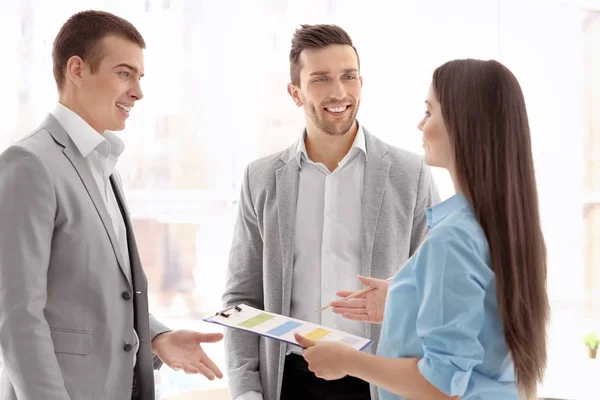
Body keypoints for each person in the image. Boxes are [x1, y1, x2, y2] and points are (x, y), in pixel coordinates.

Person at [295, 59, 549, 400]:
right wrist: (405, 301)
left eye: (429, 112)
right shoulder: (504, 229)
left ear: (463, 125)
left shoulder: (453, 239)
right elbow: (482, 327)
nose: (420, 124)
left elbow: (440, 385)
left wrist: (347, 361)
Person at [0, 10, 223, 400]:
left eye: (139, 77)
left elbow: (98, 292)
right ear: (77, 69)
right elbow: (16, 316)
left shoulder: (105, 167)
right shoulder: (30, 164)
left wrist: (157, 337)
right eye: (125, 73)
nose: (137, 91)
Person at [222, 24, 439, 400]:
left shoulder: (411, 174)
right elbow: (242, 299)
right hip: (287, 381)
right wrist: (245, 391)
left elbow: (437, 290)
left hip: (379, 381)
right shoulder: (261, 179)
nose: (338, 92)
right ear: (295, 92)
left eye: (348, 77)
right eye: (320, 79)